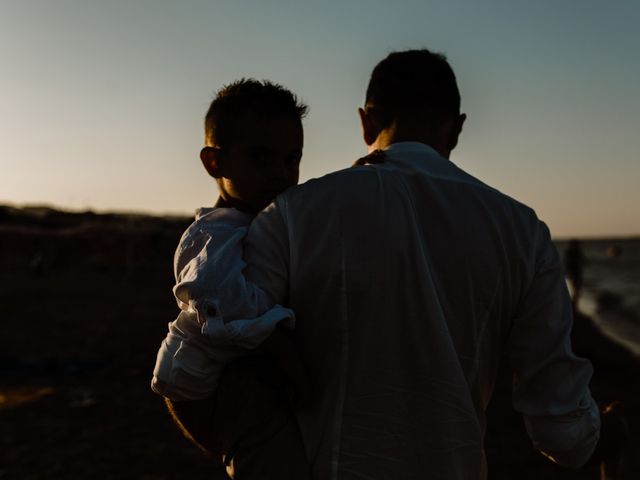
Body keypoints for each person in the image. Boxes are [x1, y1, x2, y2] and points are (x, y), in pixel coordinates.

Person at [240, 50, 620, 478]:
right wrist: (616, 430)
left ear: (365, 122)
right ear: (456, 129)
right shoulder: (522, 231)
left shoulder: (291, 213)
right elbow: (563, 433)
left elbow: (203, 368)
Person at [151, 79, 311, 478]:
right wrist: (282, 346)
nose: (281, 174)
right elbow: (218, 298)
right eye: (261, 157)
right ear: (214, 163)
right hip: (192, 375)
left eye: (292, 159)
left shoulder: (260, 219)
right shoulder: (215, 232)